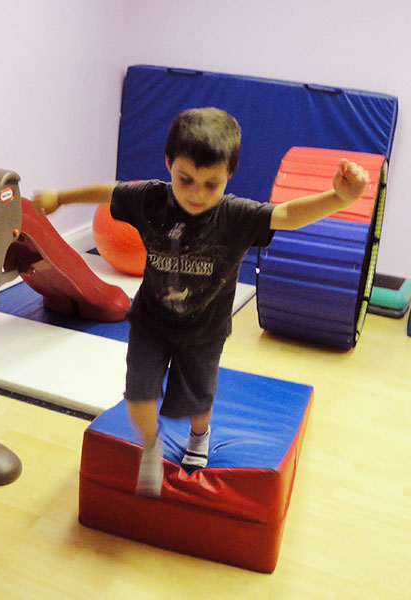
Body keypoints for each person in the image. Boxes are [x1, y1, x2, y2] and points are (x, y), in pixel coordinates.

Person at [32, 107, 369, 497]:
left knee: (197, 404)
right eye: (185, 179)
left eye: (211, 184)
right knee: (139, 395)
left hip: (203, 331)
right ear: (168, 165)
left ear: (229, 176)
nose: (195, 193)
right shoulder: (151, 200)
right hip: (151, 321)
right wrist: (61, 197)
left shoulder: (236, 216)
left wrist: (338, 197)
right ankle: (151, 445)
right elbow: (111, 191)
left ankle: (199, 434)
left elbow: (289, 213)